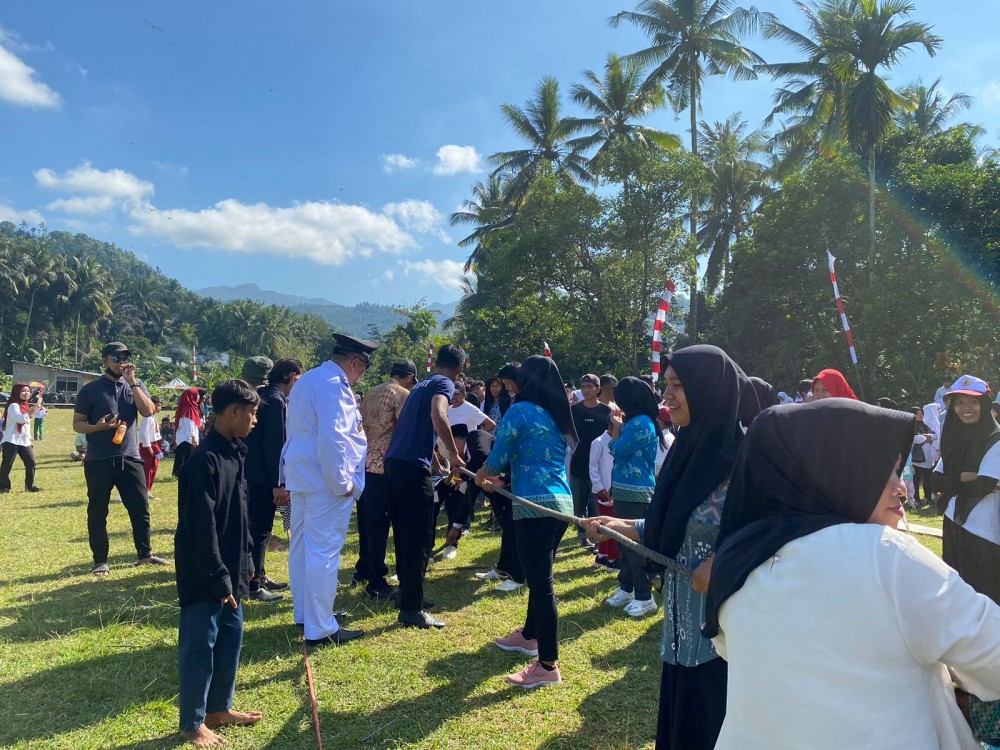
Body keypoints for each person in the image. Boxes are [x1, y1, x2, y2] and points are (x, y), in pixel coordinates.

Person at [702, 399, 1000, 750]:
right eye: (884, 472)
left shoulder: (736, 562)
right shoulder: (884, 555)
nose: (901, 488)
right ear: (836, 472)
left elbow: (732, 651)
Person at [583, 345, 753, 750]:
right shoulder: (684, 449)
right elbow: (668, 526)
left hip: (726, 644)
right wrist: (618, 524)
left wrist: (726, 561)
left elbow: (774, 537)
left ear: (709, 390)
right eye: (666, 386)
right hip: (679, 636)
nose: (668, 397)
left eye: (679, 386)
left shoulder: (748, 461)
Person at [477, 355, 578, 689]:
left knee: (542, 583)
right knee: (540, 576)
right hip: (559, 503)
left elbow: (499, 451)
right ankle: (530, 635)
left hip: (533, 506)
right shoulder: (552, 414)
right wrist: (504, 478)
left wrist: (484, 473)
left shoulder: (520, 410)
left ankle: (547, 666)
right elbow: (534, 457)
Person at [174, 379, 263, 748]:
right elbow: (200, 526)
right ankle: (193, 722)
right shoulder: (204, 460)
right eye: (253, 413)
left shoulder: (235, 451)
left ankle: (218, 709)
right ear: (232, 412)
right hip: (205, 571)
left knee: (231, 637)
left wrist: (246, 559)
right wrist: (218, 576)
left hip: (232, 566)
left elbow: (239, 511)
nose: (255, 420)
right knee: (200, 644)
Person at [281, 334, 376, 646]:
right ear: (354, 362)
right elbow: (332, 438)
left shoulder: (308, 379)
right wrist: (342, 482)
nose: (360, 373)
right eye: (362, 367)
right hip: (325, 479)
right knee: (323, 551)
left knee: (304, 546)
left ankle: (308, 614)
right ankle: (321, 626)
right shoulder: (334, 384)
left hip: (302, 474)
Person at [384, 343, 466, 629]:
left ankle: (407, 594)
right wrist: (454, 456)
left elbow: (414, 427)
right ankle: (412, 609)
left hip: (395, 462)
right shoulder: (444, 383)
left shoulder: (420, 385)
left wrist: (436, 462)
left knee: (405, 532)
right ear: (459, 369)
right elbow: (438, 415)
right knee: (419, 536)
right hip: (410, 468)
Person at [74, 342, 167, 577]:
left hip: (130, 457)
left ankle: (145, 554)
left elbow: (147, 411)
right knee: (98, 510)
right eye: (117, 358)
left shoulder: (134, 385)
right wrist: (98, 427)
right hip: (99, 460)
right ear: (105, 361)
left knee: (140, 508)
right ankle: (100, 561)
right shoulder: (90, 390)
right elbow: (77, 424)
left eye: (126, 357)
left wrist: (133, 381)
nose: (122, 362)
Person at [353, 358, 417, 600]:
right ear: (409, 377)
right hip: (384, 465)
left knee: (366, 520)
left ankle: (363, 569)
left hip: (363, 464)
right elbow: (403, 428)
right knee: (381, 524)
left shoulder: (370, 392)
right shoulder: (402, 394)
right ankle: (377, 580)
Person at [935, 375, 1000, 603]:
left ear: (984, 404)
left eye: (972, 402)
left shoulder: (995, 439)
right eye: (959, 402)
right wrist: (963, 476)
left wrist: (952, 481)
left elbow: (983, 485)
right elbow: (935, 482)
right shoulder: (952, 438)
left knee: (984, 596)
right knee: (955, 589)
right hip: (952, 520)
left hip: (983, 529)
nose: (966, 408)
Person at [604, 376, 665, 618]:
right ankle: (626, 587)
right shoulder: (638, 422)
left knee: (632, 546)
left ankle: (644, 595)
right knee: (623, 543)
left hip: (636, 492)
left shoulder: (640, 423)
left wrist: (616, 430)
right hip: (625, 489)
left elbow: (616, 449)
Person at [244, 358, 302, 603]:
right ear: (288, 376)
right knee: (260, 530)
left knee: (257, 529)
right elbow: (275, 445)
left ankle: (260, 574)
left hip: (253, 474)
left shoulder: (264, 396)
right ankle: (254, 584)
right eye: (298, 378)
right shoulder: (276, 400)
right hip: (265, 477)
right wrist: (279, 483)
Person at [569, 374, 612, 548]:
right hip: (578, 462)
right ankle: (583, 536)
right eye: (583, 387)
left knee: (597, 504)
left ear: (598, 389)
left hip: (600, 465)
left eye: (590, 387)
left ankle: (598, 537)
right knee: (578, 503)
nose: (586, 390)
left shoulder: (606, 411)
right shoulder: (574, 410)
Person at [589, 415, 619, 571]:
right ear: (611, 426)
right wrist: (600, 487)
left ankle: (602, 556)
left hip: (613, 490)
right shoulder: (598, 442)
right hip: (603, 492)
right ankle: (613, 558)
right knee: (611, 526)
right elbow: (593, 468)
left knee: (607, 525)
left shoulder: (618, 441)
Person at [0, 384, 41, 493]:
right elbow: (20, 419)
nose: (26, 393)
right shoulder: (13, 405)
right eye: (23, 391)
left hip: (24, 440)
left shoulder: (25, 406)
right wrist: (31, 411)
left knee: (31, 462)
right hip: (11, 440)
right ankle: (4, 487)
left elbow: (26, 425)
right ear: (17, 392)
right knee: (7, 464)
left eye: (28, 391)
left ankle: (29, 486)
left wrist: (29, 438)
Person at [910, 405, 938, 506]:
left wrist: (926, 437)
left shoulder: (925, 425)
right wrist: (926, 437)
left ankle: (928, 497)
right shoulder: (911, 425)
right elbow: (915, 438)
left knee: (927, 479)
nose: (920, 415)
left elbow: (935, 436)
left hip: (928, 458)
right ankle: (916, 498)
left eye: (921, 413)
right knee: (916, 480)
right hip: (917, 458)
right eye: (917, 413)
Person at [173, 388, 203, 478]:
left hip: (187, 438)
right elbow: (189, 423)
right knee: (186, 458)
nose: (198, 397)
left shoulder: (192, 407)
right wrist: (193, 437)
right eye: (196, 395)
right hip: (186, 439)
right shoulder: (188, 409)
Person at [138, 395, 164, 498]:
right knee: (147, 469)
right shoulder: (147, 418)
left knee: (154, 468)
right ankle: (144, 491)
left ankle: (149, 490)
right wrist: (148, 447)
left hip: (155, 444)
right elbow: (144, 434)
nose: (160, 408)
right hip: (148, 445)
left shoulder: (153, 417)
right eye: (159, 405)